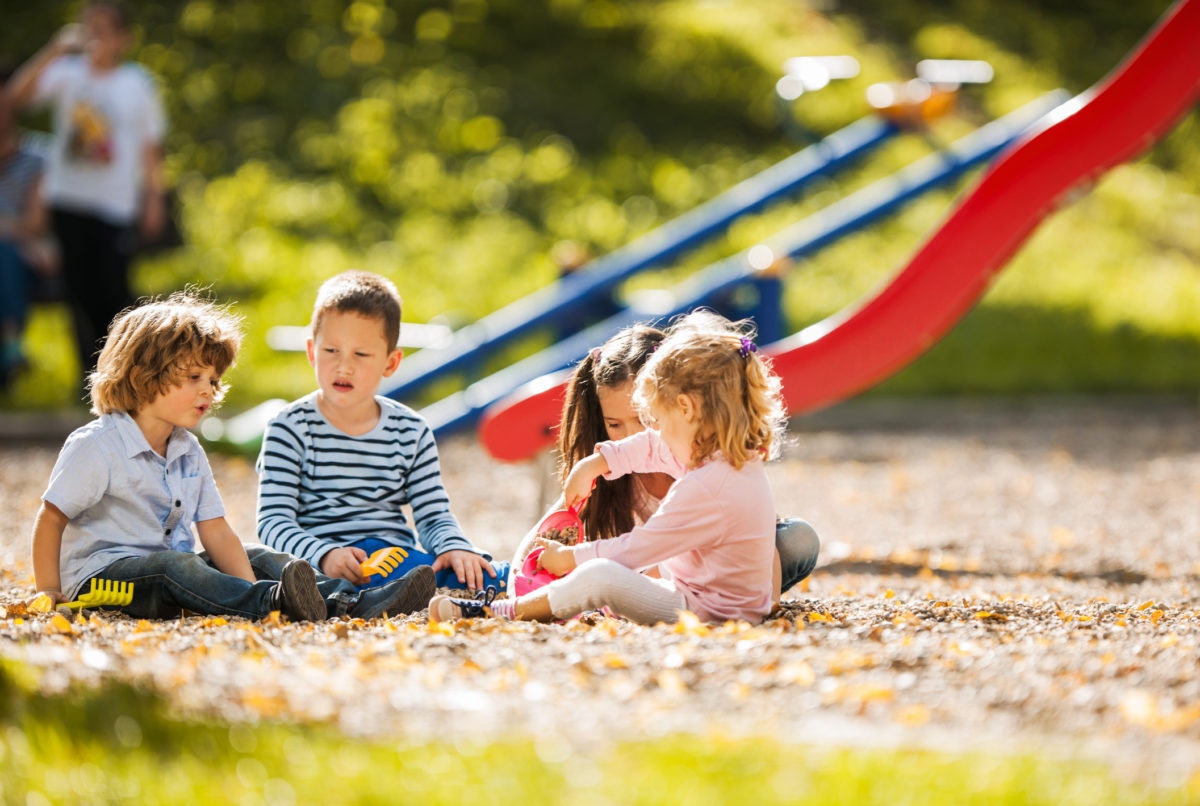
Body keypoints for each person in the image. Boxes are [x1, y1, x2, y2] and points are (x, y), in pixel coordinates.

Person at [28, 291, 434, 621]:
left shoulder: (187, 449)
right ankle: (272, 603)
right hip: (103, 578)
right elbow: (52, 517)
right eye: (194, 377)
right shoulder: (99, 444)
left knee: (258, 555)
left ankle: (351, 601)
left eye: (213, 380)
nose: (208, 390)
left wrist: (250, 580)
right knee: (175, 567)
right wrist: (49, 589)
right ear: (141, 376)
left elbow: (217, 532)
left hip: (171, 571)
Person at [431, 310, 787, 625]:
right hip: (715, 596)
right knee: (615, 576)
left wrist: (569, 558)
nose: (657, 435)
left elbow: (638, 548)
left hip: (708, 610)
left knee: (600, 575)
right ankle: (567, 600)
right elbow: (653, 447)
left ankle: (500, 612)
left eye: (659, 422)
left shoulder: (707, 485)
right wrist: (597, 463)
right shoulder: (731, 460)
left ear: (686, 408)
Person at [508, 324, 819, 602]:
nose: (631, 436)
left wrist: (766, 603)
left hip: (705, 573)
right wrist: (520, 578)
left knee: (796, 540)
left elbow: (757, 531)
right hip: (647, 574)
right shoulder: (611, 473)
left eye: (645, 418)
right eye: (614, 424)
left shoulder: (703, 461)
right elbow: (542, 536)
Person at [256, 270, 508, 593]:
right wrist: (324, 554)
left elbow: (433, 515)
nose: (344, 366)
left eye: (361, 354)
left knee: (477, 573)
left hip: (392, 560)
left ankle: (519, 579)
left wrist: (454, 547)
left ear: (390, 363)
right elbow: (273, 521)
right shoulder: (288, 427)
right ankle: (365, 595)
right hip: (318, 568)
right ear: (311, 351)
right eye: (331, 350)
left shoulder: (411, 431)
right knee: (284, 576)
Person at [5, 1, 167, 391]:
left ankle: (129, 374)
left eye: (104, 29)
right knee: (77, 293)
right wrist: (54, 50)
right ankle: (90, 381)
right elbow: (15, 98)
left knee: (113, 291)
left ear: (123, 38)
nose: (96, 37)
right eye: (89, 27)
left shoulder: (136, 83)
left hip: (115, 203)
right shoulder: (66, 72)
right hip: (68, 199)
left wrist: (154, 198)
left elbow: (150, 146)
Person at [0, 86, 51, 389]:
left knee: (4, 255)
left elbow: (35, 221)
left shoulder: (37, 156)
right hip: (24, 249)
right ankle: (11, 345)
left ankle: (10, 348)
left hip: (24, 257)